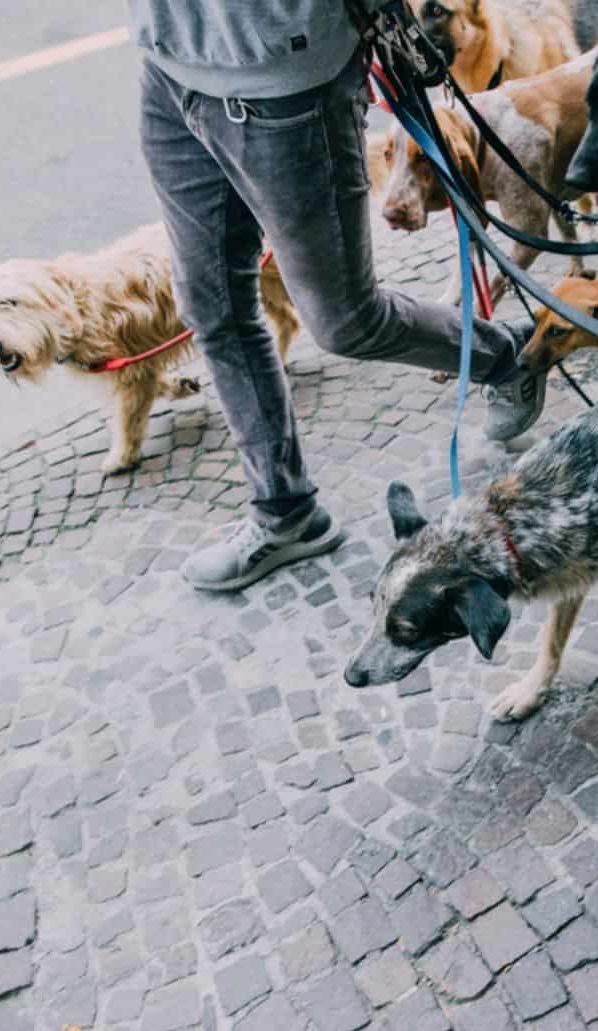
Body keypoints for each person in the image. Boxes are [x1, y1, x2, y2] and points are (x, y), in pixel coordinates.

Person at [128, 1, 541, 591]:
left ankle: (505, 356)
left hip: (285, 83)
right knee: (211, 305)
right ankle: (285, 512)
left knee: (348, 321)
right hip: (170, 67)